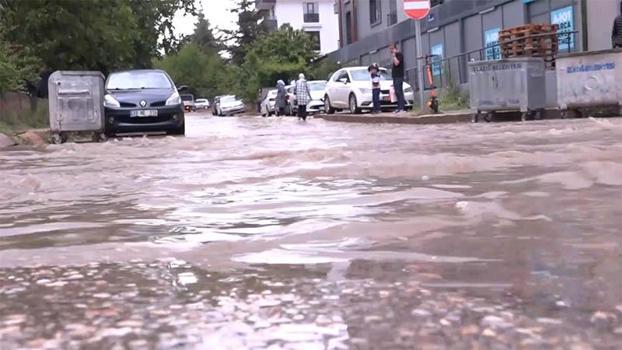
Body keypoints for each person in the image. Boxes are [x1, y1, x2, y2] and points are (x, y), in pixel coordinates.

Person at [390, 43, 406, 113]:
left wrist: (394, 56)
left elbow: (397, 63)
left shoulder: (399, 55)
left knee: (399, 91)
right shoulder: (395, 56)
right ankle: (398, 107)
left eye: (392, 49)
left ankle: (402, 108)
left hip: (399, 76)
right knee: (396, 92)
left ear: (396, 49)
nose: (391, 50)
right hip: (395, 76)